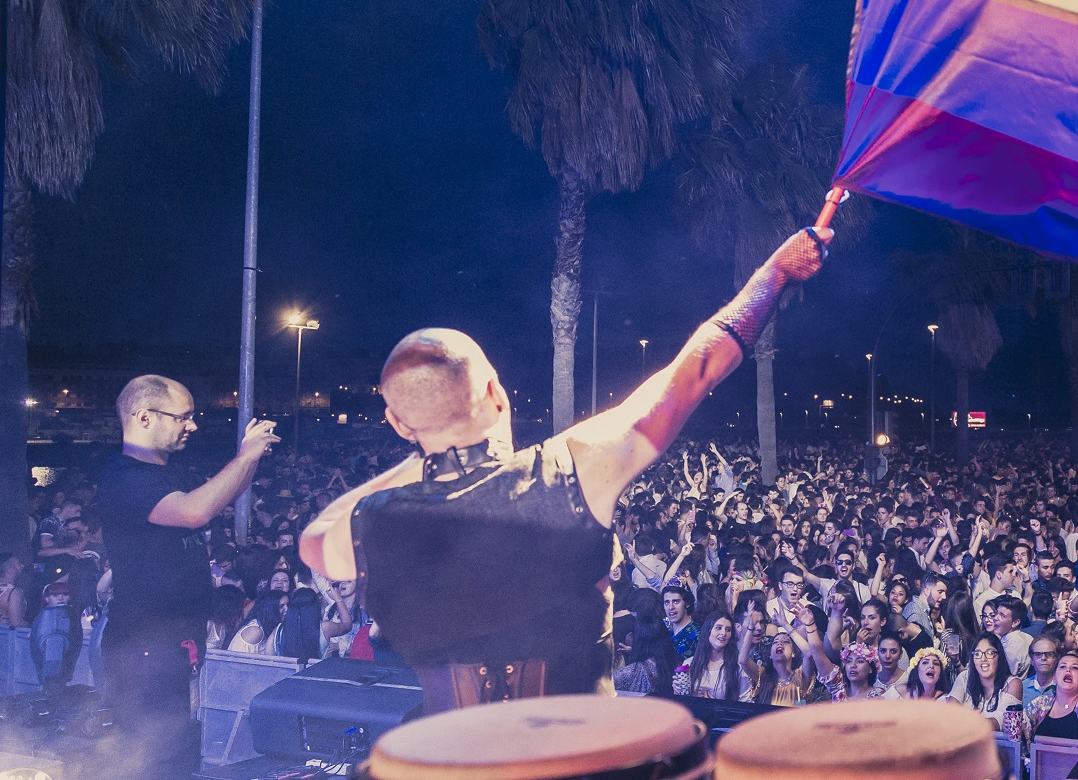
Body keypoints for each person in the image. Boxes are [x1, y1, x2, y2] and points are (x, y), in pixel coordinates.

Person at [301, 227, 829, 710]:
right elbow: (696, 370)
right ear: (495, 392)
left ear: (395, 422)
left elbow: (315, 539)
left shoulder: (371, 522)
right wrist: (774, 274)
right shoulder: (568, 468)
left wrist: (421, 445)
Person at [98, 375, 279, 780]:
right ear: (145, 416)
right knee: (150, 768)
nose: (192, 426)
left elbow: (203, 505)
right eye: (184, 416)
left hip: (165, 648)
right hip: (144, 651)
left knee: (165, 764)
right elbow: (198, 511)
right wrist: (245, 454)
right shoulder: (127, 479)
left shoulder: (156, 476)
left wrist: (248, 461)